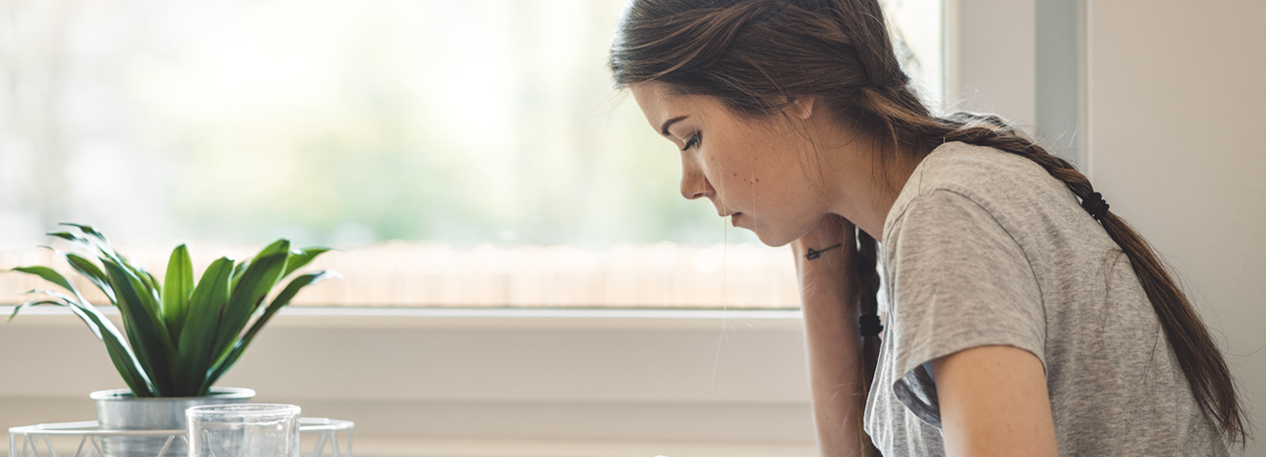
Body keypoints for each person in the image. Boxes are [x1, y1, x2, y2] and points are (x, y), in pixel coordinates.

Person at [608, 0, 1247, 455]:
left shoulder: (950, 216)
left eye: (690, 137)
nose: (690, 184)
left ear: (786, 88)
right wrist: (822, 254)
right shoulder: (931, 207)